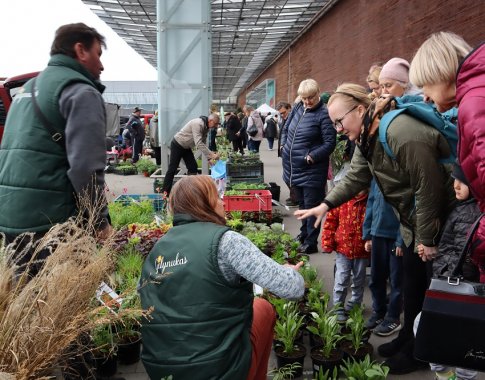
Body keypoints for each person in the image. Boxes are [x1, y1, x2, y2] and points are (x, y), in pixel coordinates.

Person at [295, 83, 455, 374]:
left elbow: (428, 187)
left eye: (339, 121)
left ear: (359, 109)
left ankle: (423, 352)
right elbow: (356, 175)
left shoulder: (399, 132)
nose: (338, 129)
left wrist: (428, 239)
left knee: (432, 292)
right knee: (413, 286)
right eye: (333, 124)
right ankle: (409, 339)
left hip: (437, 223)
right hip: (412, 221)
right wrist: (325, 204)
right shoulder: (367, 137)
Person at [139, 175, 305, 380]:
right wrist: (290, 272)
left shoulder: (158, 249)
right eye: (216, 197)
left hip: (162, 370)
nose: (222, 202)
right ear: (206, 204)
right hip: (219, 370)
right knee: (263, 308)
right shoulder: (226, 241)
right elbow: (293, 288)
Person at [0, 23, 112, 272]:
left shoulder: (28, 89)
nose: (101, 65)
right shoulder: (81, 92)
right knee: (59, 306)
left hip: (11, 220)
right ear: (80, 50)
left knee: (26, 304)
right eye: (98, 54)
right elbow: (86, 169)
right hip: (50, 224)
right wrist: (100, 222)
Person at [415, 162, 481, 380]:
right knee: (429, 327)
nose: (456, 185)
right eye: (455, 179)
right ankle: (448, 373)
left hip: (465, 291)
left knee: (462, 338)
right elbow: (450, 249)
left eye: (463, 181)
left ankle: (450, 374)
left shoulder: (474, 213)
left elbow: (463, 257)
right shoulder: (460, 207)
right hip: (453, 284)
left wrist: (444, 277)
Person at [281, 79, 336, 254]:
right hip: (294, 168)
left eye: (310, 97)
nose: (307, 101)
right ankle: (304, 234)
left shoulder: (324, 114)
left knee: (312, 207)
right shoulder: (298, 108)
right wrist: (283, 145)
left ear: (318, 92)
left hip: (311, 169)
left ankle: (311, 242)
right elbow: (285, 128)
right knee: (303, 205)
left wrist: (312, 156)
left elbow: (329, 143)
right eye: (304, 97)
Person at [362, 179, 403, 336]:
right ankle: (379, 312)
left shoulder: (403, 173)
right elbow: (371, 202)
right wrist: (368, 234)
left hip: (395, 238)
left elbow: (408, 209)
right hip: (377, 233)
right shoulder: (376, 175)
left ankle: (393, 317)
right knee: (376, 278)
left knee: (396, 281)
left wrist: (401, 239)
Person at [321, 190, 369, 322]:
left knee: (359, 279)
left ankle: (356, 303)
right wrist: (327, 242)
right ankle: (338, 306)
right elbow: (330, 222)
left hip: (362, 250)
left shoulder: (370, 202)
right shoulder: (341, 201)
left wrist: (371, 241)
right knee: (342, 278)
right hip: (343, 248)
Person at [161, 113, 220, 195]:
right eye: (216, 123)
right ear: (210, 121)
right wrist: (211, 155)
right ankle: (165, 192)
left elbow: (203, 142)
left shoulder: (206, 127)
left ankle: (190, 190)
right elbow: (198, 143)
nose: (216, 126)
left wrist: (209, 158)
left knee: (193, 167)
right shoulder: (198, 124)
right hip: (177, 144)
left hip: (186, 147)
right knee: (173, 168)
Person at [276, 101, 298, 207]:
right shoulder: (285, 120)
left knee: (290, 176)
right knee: (287, 176)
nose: (282, 115)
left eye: (283, 112)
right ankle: (294, 196)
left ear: (289, 108)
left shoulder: (294, 119)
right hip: (285, 152)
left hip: (291, 153)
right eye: (280, 113)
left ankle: (295, 198)